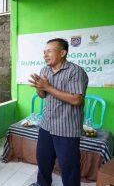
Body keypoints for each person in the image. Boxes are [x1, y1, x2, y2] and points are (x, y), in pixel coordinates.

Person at [29, 38, 88, 186]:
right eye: (44, 52)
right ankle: (42, 184)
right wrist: (39, 87)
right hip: (47, 125)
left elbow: (76, 99)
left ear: (62, 52)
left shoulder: (75, 71)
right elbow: (43, 95)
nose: (45, 55)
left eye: (49, 51)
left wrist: (47, 87)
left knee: (69, 166)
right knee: (43, 160)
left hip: (66, 128)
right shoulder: (44, 70)